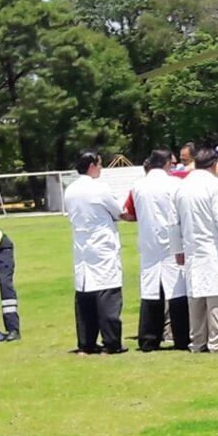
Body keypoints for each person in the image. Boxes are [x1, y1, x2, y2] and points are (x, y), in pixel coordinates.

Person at [174, 147, 218, 353]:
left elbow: (173, 222)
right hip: (213, 247)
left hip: (191, 248)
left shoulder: (182, 186)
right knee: (217, 297)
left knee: (196, 297)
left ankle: (197, 341)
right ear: (214, 165)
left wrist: (178, 249)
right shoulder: (216, 185)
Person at [126, 149, 189, 352]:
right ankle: (181, 337)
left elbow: (130, 212)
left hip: (148, 242)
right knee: (177, 292)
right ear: (166, 164)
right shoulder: (175, 184)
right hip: (173, 242)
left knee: (151, 291)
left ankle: (148, 338)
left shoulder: (138, 186)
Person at [64, 150, 126, 355]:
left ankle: (86, 342)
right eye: (99, 164)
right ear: (92, 165)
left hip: (81, 245)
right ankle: (111, 342)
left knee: (84, 294)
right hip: (101, 245)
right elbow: (118, 211)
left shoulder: (70, 190)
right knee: (108, 292)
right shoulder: (99, 188)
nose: (101, 169)